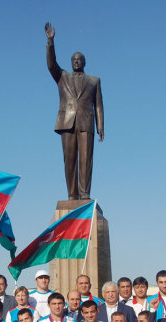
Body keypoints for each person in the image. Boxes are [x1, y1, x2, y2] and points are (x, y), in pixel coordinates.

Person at [45, 22, 104, 200]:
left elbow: (99, 105)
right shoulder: (62, 77)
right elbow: (51, 65)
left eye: (79, 59)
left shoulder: (94, 81)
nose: (77, 61)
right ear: (71, 62)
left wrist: (100, 126)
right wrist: (50, 42)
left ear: (85, 62)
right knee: (69, 160)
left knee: (86, 161)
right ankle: (72, 194)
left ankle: (85, 194)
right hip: (67, 122)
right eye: (74, 59)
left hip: (87, 122)